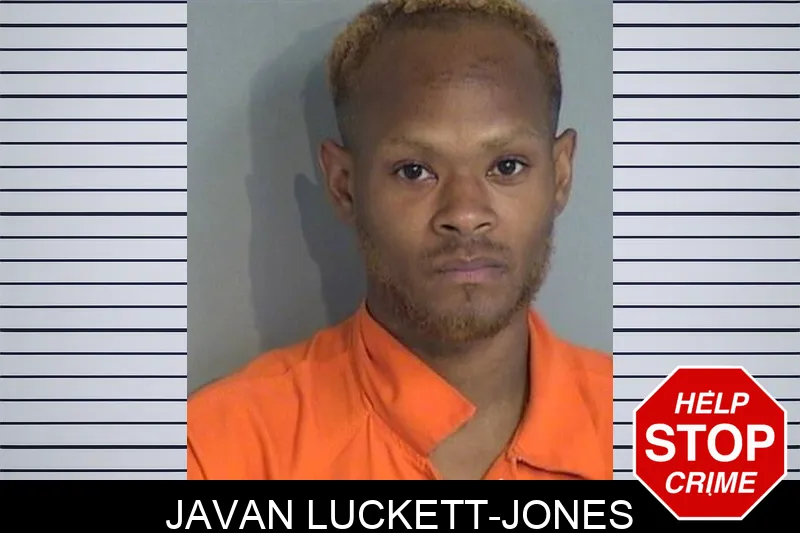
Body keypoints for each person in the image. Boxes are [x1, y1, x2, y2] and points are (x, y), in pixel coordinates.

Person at [188, 0, 612, 480]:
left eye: (506, 166)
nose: (466, 214)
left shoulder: (661, 439)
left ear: (560, 175)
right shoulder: (218, 450)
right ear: (345, 186)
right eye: (414, 171)